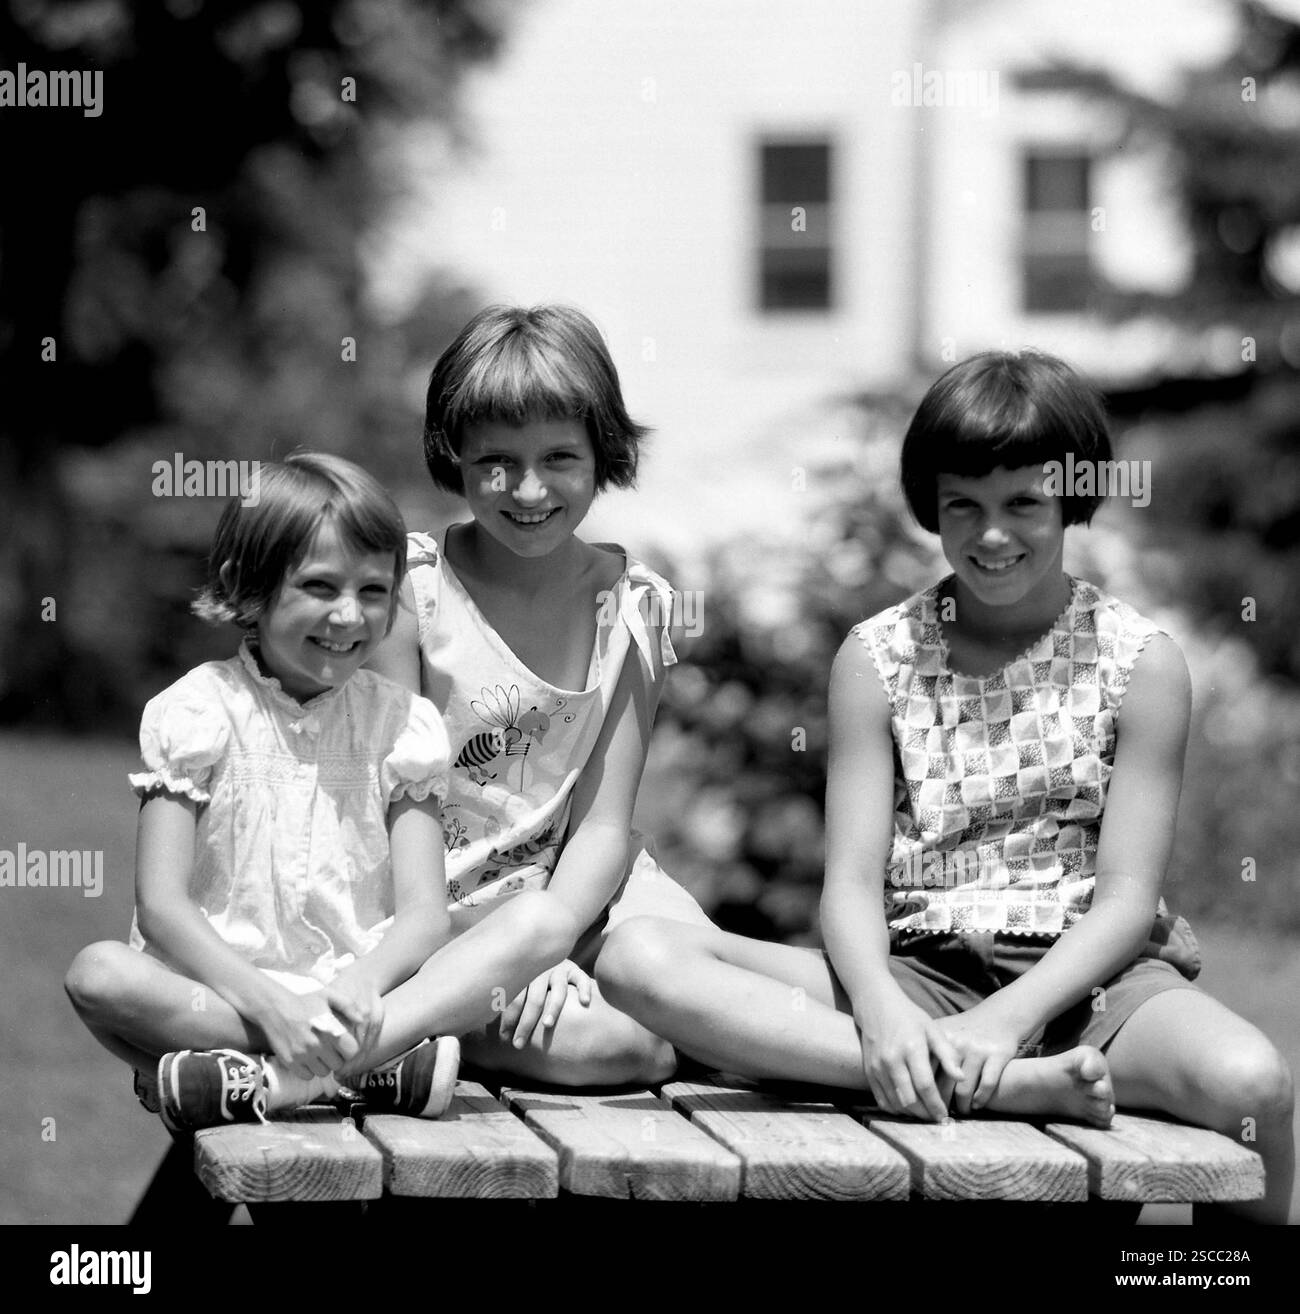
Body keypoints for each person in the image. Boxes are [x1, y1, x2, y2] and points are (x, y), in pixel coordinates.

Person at [597, 350, 1295, 1222]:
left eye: (1023, 504)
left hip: (1089, 987)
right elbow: (849, 885)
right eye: (963, 504)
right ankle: (990, 1084)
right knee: (640, 956)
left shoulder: (1140, 663)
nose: (992, 534)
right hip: (916, 970)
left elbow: (1125, 899)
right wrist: (885, 1011)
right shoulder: (877, 658)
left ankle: (1214, 1278)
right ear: (931, 505)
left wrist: (1005, 1020)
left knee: (1254, 1086)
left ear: (1072, 498)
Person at [362, 303, 714, 1086]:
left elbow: (603, 825)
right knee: (630, 1049)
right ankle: (407, 1032)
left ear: (602, 454)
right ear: (453, 455)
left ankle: (948, 1057)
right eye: (497, 460)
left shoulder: (633, 606)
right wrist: (514, 950)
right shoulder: (407, 597)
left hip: (589, 895)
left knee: (720, 1004)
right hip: (445, 911)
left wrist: (554, 934)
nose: (528, 489)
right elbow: (397, 810)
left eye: (559, 456)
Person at [65, 452, 462, 1130]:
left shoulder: (405, 725)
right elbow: (159, 906)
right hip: (226, 995)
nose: (348, 616)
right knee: (99, 975)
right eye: (319, 586)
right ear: (244, 584)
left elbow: (426, 914)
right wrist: (274, 1008)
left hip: (356, 995)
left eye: (372, 591)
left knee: (477, 969)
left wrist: (352, 992)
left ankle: (257, 1077)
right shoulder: (198, 711)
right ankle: (355, 1070)